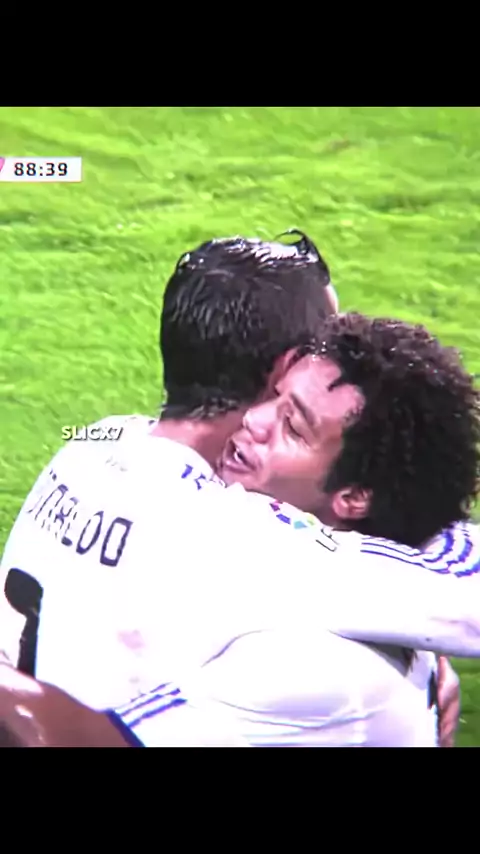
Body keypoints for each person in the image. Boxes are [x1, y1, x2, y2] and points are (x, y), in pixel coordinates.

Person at [0, 235, 476, 741]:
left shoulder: (95, 443)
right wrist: (420, 648)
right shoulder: (247, 541)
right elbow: (462, 596)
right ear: (287, 366)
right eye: (326, 343)